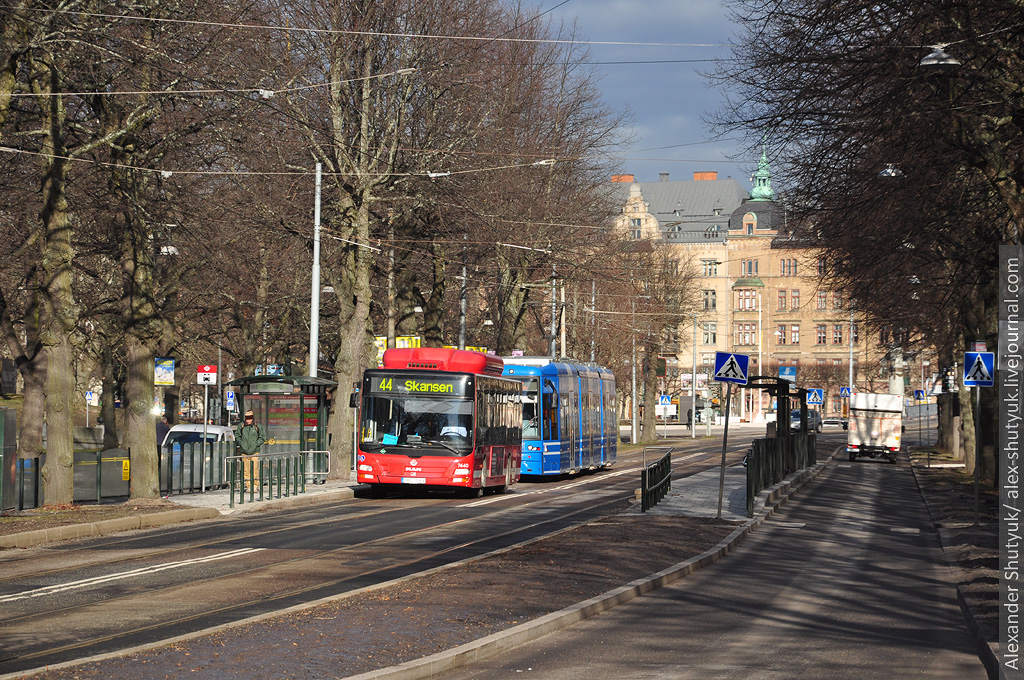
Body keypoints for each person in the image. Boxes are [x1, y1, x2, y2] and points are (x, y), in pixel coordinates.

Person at [235, 410, 266, 492]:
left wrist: (256, 444)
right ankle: (248, 486)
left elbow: (262, 437)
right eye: (246, 418)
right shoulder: (241, 426)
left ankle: (255, 485)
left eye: (249, 418)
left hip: (254, 451)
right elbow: (237, 435)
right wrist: (241, 443)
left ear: (252, 418)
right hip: (244, 451)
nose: (248, 420)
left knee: (255, 469)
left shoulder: (257, 426)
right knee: (246, 470)